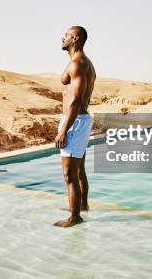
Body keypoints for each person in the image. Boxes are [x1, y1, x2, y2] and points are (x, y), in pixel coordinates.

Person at [53, 26, 96, 227]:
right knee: (79, 171)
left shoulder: (78, 64)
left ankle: (74, 216)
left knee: (69, 174)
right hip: (80, 120)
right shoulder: (84, 63)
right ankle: (81, 206)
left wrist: (64, 130)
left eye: (67, 35)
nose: (63, 38)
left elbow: (76, 100)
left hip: (75, 120)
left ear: (75, 39)